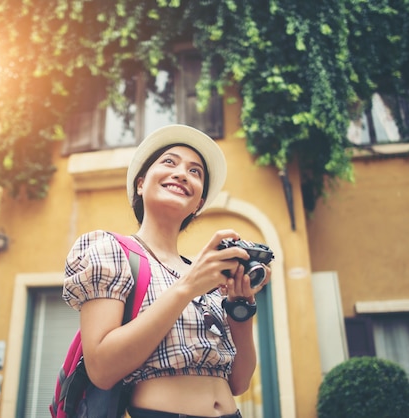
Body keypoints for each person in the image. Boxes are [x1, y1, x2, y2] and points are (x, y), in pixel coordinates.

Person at [63, 124, 271, 418]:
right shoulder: (111, 250)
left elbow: (238, 382)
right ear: (140, 183)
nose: (182, 173)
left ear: (198, 204)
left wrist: (241, 309)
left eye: (195, 171)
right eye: (169, 162)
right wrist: (187, 287)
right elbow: (101, 369)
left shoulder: (204, 275)